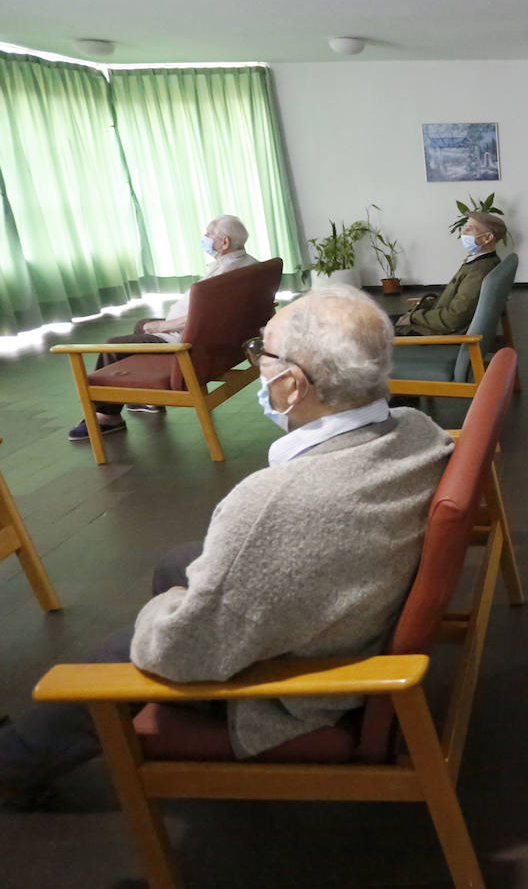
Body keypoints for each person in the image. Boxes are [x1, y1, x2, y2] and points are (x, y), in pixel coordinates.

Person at [1, 287, 454, 809]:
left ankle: (10, 764)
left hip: (302, 693)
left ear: (290, 385)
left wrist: (168, 607)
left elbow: (175, 652)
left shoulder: (270, 504)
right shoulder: (418, 429)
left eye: (262, 352)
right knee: (178, 560)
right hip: (361, 599)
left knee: (122, 646)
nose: (256, 361)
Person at [66, 215, 260, 441]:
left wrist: (162, 326)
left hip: (184, 343)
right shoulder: (248, 264)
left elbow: (200, 318)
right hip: (213, 338)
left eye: (208, 235)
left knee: (113, 346)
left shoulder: (223, 277)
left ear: (224, 242)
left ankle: (106, 417)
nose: (204, 239)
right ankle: (148, 399)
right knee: (141, 325)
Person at [394, 212, 506, 336]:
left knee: (372, 329)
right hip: (432, 322)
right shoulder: (482, 262)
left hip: (435, 333)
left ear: (487, 238)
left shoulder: (478, 272)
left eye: (469, 229)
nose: (463, 233)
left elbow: (453, 319)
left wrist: (413, 317)